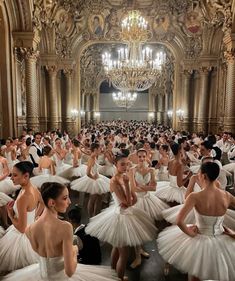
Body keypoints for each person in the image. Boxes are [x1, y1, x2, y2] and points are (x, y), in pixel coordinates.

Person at [2, 182, 119, 281]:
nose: (69, 201)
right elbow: (69, 271)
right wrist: (74, 251)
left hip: (41, 274)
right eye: (65, 198)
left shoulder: (30, 229)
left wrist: (11, 216)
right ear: (52, 203)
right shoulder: (65, 227)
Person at [157, 162, 235, 281]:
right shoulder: (227, 196)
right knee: (217, 272)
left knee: (196, 274)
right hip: (222, 239)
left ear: (203, 176)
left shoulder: (195, 196)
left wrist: (190, 233)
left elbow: (179, 220)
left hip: (200, 238)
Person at [86, 153, 157, 280]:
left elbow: (134, 199)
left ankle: (113, 275)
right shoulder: (114, 181)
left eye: (127, 164)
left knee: (116, 248)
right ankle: (118, 278)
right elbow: (128, 201)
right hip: (120, 216)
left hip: (127, 213)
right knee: (124, 254)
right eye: (122, 164)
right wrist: (128, 192)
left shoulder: (125, 177)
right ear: (116, 165)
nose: (125, 167)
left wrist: (129, 195)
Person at [0, 161, 44, 272]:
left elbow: (22, 228)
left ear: (26, 176)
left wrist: (10, 215)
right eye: (11, 175)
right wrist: (34, 217)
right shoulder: (33, 188)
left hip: (21, 238)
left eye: (14, 175)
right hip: (31, 231)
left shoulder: (24, 197)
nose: (11, 178)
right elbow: (42, 203)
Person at [71, 143, 110, 217]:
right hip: (94, 180)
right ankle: (91, 217)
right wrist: (94, 179)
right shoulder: (91, 158)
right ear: (95, 150)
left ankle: (96, 215)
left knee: (99, 198)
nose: (100, 150)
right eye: (99, 149)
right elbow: (88, 173)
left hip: (97, 178)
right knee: (92, 200)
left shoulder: (94, 156)